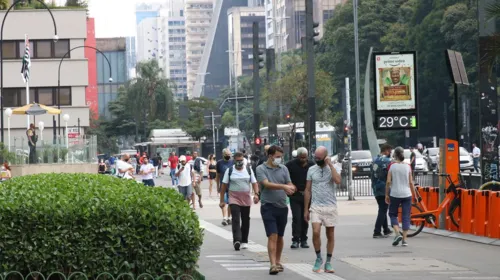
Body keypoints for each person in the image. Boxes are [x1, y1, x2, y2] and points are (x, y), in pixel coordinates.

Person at [256, 145, 296, 275]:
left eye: (281, 157)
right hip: (268, 206)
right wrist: (284, 186)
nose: (279, 159)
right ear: (270, 156)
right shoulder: (261, 169)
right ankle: (272, 264)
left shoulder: (283, 168)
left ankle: (278, 261)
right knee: (272, 235)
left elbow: (289, 183)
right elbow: (266, 184)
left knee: (280, 236)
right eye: (277, 157)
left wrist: (291, 188)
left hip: (282, 206)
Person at [304, 146, 341, 273]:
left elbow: (338, 181)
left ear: (326, 157)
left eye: (319, 158)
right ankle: (318, 258)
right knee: (315, 232)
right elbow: (308, 190)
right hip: (316, 206)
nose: (316, 159)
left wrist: (330, 165)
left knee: (330, 234)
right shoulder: (311, 170)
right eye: (315, 157)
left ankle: (328, 262)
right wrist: (306, 209)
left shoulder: (333, 168)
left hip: (330, 206)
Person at [220, 152, 259, 251]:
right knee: (236, 218)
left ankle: (244, 240)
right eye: (237, 161)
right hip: (234, 198)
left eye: (241, 160)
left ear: (243, 160)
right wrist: (221, 201)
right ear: (234, 161)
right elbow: (224, 186)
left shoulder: (248, 170)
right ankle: (237, 240)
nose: (239, 162)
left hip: (246, 198)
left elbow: (254, 183)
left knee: (245, 219)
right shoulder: (230, 170)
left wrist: (256, 194)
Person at [386, 146, 415, 247]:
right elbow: (411, 182)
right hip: (407, 194)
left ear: (395, 155)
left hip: (395, 194)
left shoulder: (392, 166)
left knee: (393, 214)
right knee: (406, 216)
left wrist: (386, 194)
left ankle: (397, 233)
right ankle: (404, 240)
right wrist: (414, 194)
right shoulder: (408, 166)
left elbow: (388, 181)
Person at [285, 147, 314, 249]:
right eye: (301, 158)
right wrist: (290, 185)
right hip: (295, 195)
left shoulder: (312, 165)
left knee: (305, 217)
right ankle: (295, 239)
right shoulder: (290, 165)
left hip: (308, 195)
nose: (303, 160)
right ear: (297, 156)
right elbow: (285, 177)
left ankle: (304, 239)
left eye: (304, 158)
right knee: (297, 218)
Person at [371, 144, 393, 238]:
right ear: (386, 151)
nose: (390, 154)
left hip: (375, 187)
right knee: (383, 209)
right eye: (390, 152)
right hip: (384, 188)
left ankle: (386, 229)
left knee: (382, 208)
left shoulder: (374, 160)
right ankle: (377, 231)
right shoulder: (388, 161)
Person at [216, 149, 233, 225]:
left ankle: (229, 217)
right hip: (223, 185)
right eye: (226, 155)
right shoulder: (219, 163)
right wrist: (217, 186)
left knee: (230, 202)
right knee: (223, 201)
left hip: (232, 186)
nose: (228, 156)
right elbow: (218, 175)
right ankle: (224, 218)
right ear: (223, 155)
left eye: (229, 155)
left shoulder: (233, 162)